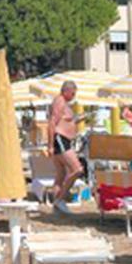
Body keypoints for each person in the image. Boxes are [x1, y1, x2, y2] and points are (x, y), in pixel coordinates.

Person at [47, 81, 84, 215]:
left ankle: (56, 209)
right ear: (66, 91)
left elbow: (65, 120)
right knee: (78, 169)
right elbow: (52, 123)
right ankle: (60, 199)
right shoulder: (60, 101)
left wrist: (77, 120)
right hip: (60, 138)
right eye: (73, 93)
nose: (74, 96)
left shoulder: (64, 103)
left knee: (61, 175)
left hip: (64, 139)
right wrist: (50, 145)